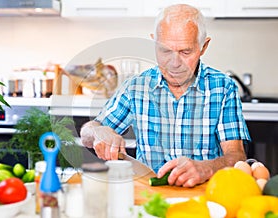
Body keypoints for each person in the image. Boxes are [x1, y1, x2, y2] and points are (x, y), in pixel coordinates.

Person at [80, 4, 251, 187]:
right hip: (150, 197)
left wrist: (206, 168)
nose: (174, 63)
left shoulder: (223, 88)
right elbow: (87, 133)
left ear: (203, 46)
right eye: (165, 51)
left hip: (204, 197)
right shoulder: (136, 87)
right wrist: (98, 131)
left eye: (185, 52)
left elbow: (237, 157)